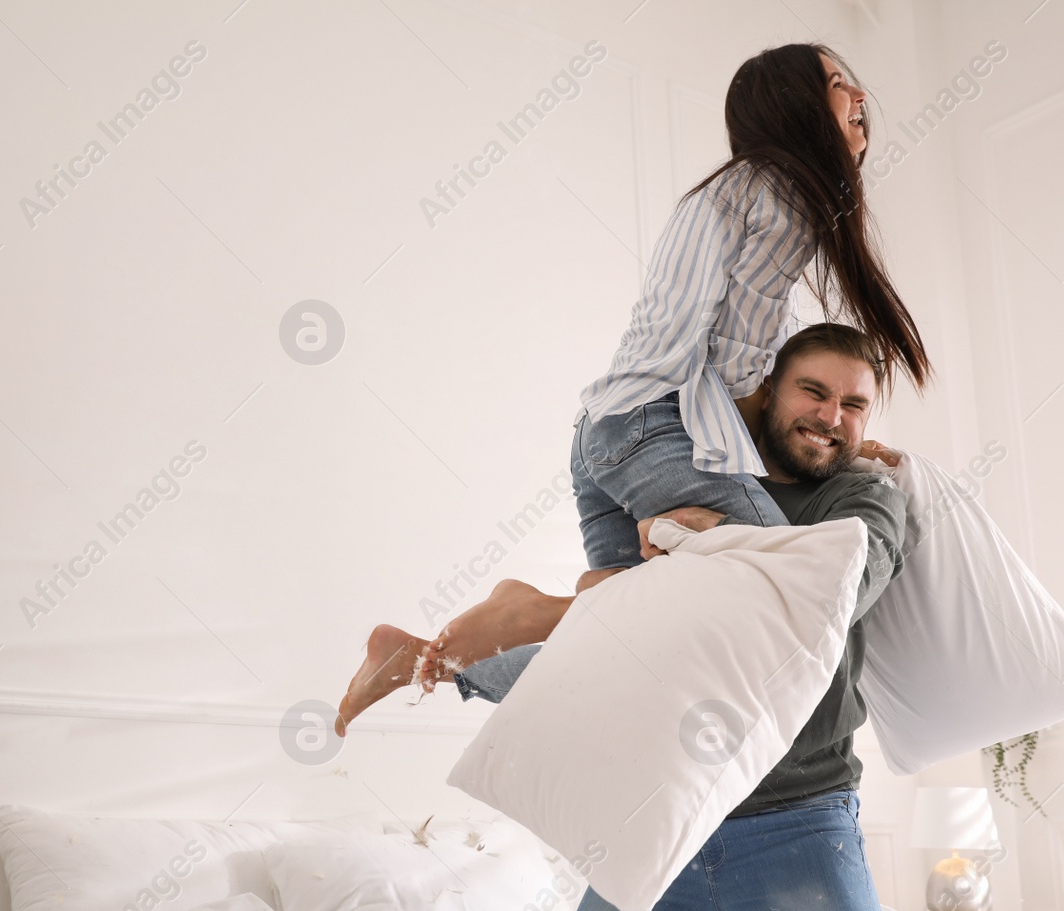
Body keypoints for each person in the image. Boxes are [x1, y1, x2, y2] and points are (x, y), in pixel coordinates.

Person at [335, 42, 930, 734]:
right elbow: (740, 370)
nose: (859, 98)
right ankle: (536, 610)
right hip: (657, 431)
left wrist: (827, 436)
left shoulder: (737, 192)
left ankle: (421, 661)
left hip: (609, 432)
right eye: (837, 84)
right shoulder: (783, 198)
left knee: (628, 653)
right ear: (792, 105)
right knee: (783, 593)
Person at [551, 323, 969, 911]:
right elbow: (619, 616)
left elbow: (830, 597)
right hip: (670, 812)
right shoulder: (690, 483)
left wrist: (712, 543)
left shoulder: (861, 501)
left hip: (801, 822)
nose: (831, 416)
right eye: (813, 391)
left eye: (854, 404)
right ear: (768, 390)